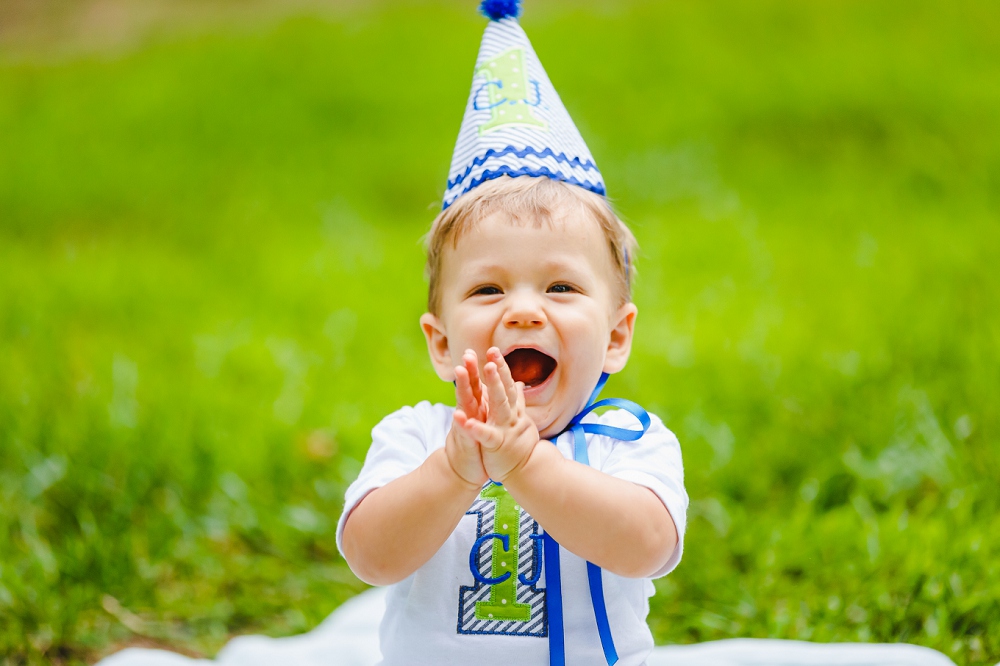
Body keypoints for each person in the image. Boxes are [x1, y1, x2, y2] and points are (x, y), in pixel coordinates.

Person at [97, 2, 964, 665]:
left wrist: (528, 466)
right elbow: (370, 556)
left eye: (559, 285)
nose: (523, 309)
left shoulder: (632, 444)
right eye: (488, 288)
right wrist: (455, 470)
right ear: (441, 345)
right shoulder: (416, 438)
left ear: (616, 337)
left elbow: (646, 545)